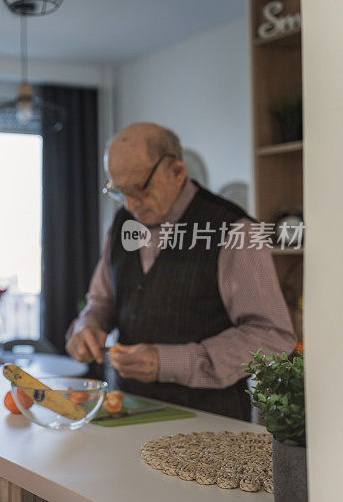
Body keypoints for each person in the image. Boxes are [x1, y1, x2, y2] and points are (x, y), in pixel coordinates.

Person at [65, 122, 296, 420]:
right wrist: (88, 328)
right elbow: (101, 301)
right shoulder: (122, 223)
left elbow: (272, 336)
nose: (131, 205)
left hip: (211, 428)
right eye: (120, 192)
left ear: (177, 172)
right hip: (127, 413)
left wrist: (170, 362)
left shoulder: (236, 230)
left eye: (139, 189)